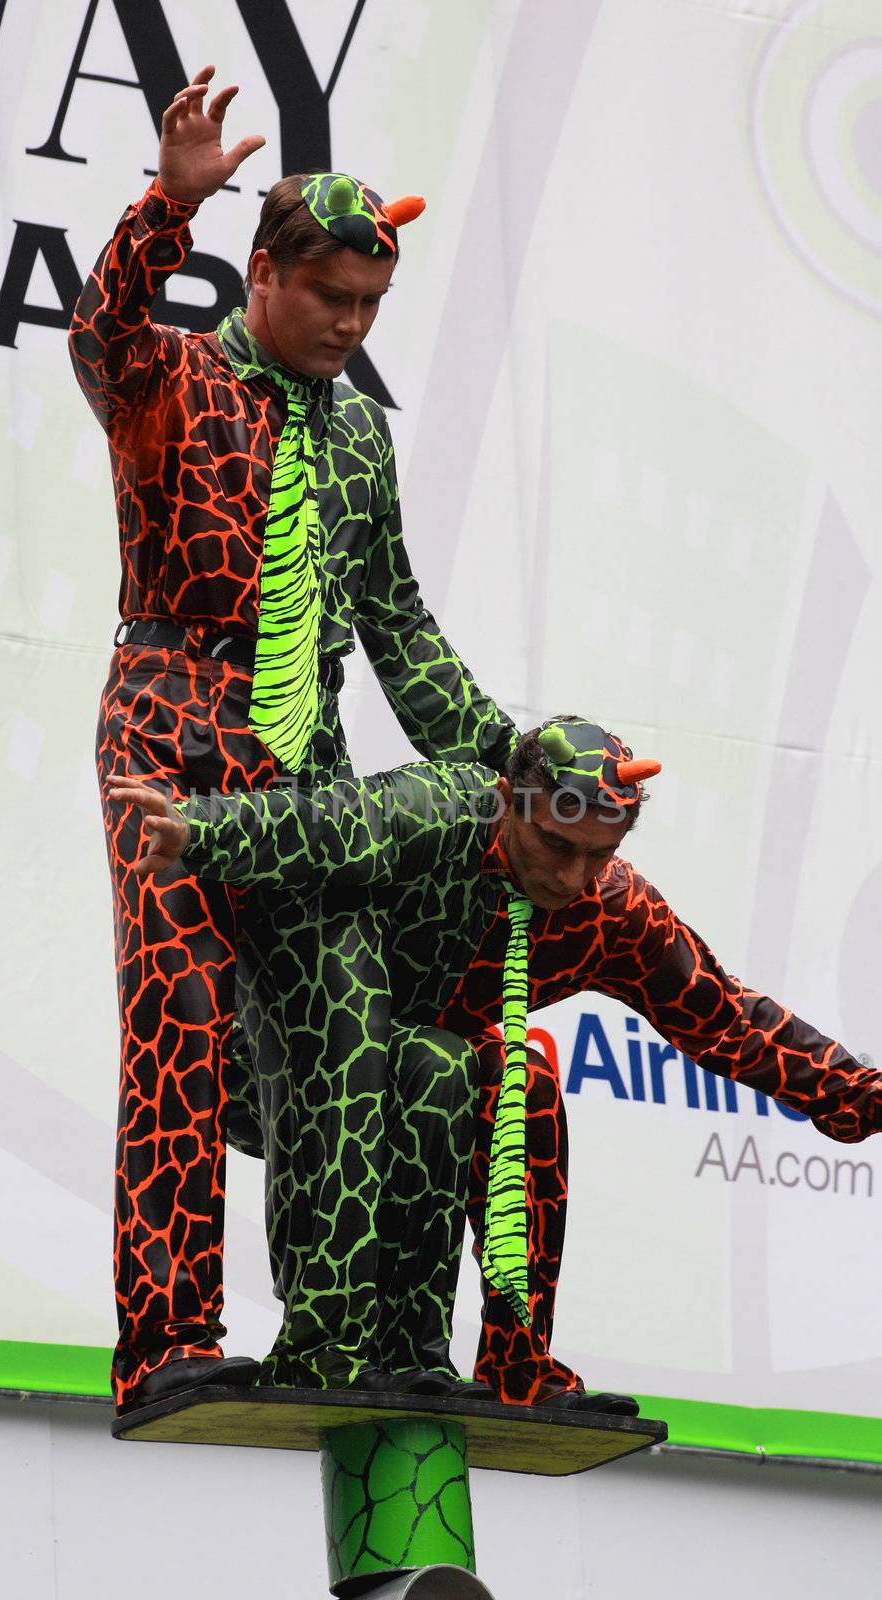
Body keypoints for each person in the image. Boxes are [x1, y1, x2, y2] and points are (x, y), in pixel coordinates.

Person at [70, 65, 515, 1414]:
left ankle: (351, 1335)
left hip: (300, 776)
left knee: (347, 1026)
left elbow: (399, 628)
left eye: (370, 304)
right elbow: (101, 330)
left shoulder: (362, 442)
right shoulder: (170, 380)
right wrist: (167, 205)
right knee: (186, 1021)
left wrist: (513, 755)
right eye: (329, 296)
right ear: (261, 273)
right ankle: (166, 1339)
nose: (349, 323)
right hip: (168, 734)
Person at [107, 714, 882, 1408]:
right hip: (289, 1070)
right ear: (511, 802)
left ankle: (517, 1363)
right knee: (433, 1064)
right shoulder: (443, 808)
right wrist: (199, 830)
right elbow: (324, 824)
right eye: (554, 846)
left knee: (525, 1077)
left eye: (598, 855)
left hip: (426, 1090)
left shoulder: (608, 907)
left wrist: (862, 1096)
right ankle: (333, 1346)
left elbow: (725, 1017)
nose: (569, 877)